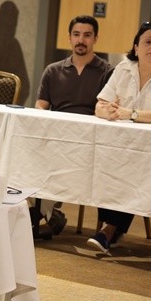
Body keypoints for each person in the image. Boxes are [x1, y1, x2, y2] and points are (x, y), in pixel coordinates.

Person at [87, 21, 151, 254]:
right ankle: (112, 229)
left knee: (133, 167)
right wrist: (105, 112)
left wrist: (129, 114)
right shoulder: (123, 68)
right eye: (148, 41)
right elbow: (100, 104)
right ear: (136, 48)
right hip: (119, 144)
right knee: (105, 161)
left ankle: (109, 230)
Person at [35, 15, 113, 235]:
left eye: (87, 35)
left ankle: (45, 215)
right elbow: (40, 106)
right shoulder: (52, 70)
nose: (81, 40)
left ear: (95, 38)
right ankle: (47, 215)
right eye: (76, 35)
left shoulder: (108, 72)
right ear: (69, 37)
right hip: (57, 139)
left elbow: (109, 110)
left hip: (92, 143)